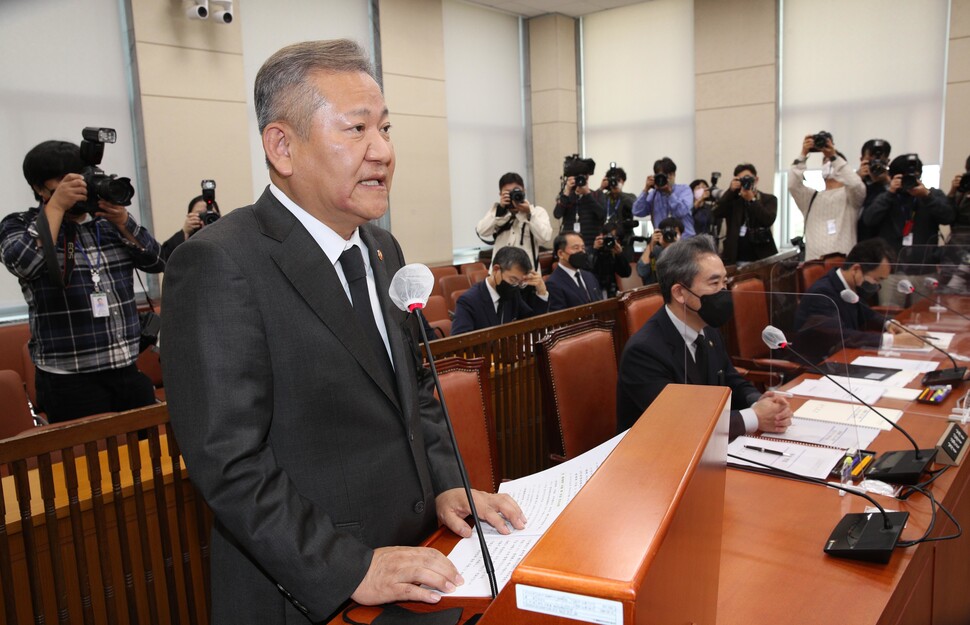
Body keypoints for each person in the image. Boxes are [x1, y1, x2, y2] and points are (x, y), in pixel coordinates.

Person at [160, 40, 525, 624]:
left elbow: (418, 394)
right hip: (311, 591)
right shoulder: (220, 264)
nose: (382, 151)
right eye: (356, 130)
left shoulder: (381, 248)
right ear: (282, 145)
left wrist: (446, 486)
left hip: (419, 562)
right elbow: (229, 463)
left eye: (385, 128)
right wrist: (348, 567)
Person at [0, 140, 163, 423]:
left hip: (125, 366)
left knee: (147, 454)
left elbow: (157, 261)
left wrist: (125, 221)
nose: (78, 186)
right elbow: (23, 263)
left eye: (80, 176)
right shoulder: (18, 224)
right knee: (87, 463)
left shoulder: (107, 223)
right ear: (40, 188)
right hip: (69, 378)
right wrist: (56, 207)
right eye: (66, 180)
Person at [616, 235, 792, 440]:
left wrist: (759, 401)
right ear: (680, 293)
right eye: (714, 283)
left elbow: (729, 377)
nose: (723, 292)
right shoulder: (644, 351)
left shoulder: (706, 328)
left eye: (724, 282)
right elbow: (682, 421)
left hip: (704, 449)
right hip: (655, 454)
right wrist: (755, 417)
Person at [792, 239, 924, 362]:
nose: (877, 286)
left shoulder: (850, 285)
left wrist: (890, 324)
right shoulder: (822, 293)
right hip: (818, 365)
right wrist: (893, 341)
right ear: (856, 269)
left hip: (844, 357)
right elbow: (841, 336)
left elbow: (867, 314)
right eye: (877, 279)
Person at [862, 153, 954, 304]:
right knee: (890, 316)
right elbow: (869, 220)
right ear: (893, 177)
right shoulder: (887, 197)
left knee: (923, 318)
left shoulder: (931, 195)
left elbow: (948, 218)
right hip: (891, 273)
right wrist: (889, 193)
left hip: (924, 272)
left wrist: (927, 196)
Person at [788, 132, 865, 260]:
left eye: (832, 161)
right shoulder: (810, 197)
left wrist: (833, 156)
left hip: (843, 268)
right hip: (813, 267)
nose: (828, 163)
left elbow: (857, 185)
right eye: (825, 160)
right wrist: (803, 154)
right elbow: (792, 184)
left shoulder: (850, 196)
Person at [451, 246, 548, 334]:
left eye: (520, 283)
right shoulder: (468, 301)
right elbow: (459, 343)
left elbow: (532, 324)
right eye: (513, 280)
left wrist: (542, 292)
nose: (515, 286)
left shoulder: (513, 294)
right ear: (496, 270)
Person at [475, 172, 552, 269]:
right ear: (500, 194)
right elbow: (482, 231)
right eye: (508, 193)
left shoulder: (537, 212)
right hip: (500, 274)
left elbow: (545, 237)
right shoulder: (496, 213)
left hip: (527, 275)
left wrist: (529, 214)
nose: (513, 195)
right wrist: (499, 211)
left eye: (516, 191)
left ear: (524, 191)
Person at [713, 163, 778, 265]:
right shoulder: (733, 200)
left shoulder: (768, 199)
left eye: (748, 178)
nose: (745, 182)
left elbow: (768, 220)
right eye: (741, 179)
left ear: (756, 179)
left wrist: (752, 200)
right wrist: (730, 191)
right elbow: (715, 213)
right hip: (734, 258)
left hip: (761, 257)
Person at [632, 157, 695, 237]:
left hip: (684, 240)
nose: (666, 178)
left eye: (669, 175)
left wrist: (669, 193)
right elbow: (637, 212)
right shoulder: (654, 194)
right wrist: (645, 190)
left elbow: (681, 212)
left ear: (674, 174)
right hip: (662, 241)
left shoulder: (684, 190)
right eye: (661, 176)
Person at [546, 232, 603, 310]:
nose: (581, 252)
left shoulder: (589, 276)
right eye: (576, 248)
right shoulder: (553, 283)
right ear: (561, 254)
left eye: (583, 248)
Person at [554, 171, 605, 250]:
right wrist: (567, 191)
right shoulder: (567, 196)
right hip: (570, 245)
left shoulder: (596, 195)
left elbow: (602, 215)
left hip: (591, 244)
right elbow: (557, 214)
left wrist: (587, 194)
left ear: (587, 178)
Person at [161, 194, 220, 261]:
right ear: (189, 216)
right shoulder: (185, 238)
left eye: (210, 214)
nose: (206, 218)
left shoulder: (226, 235)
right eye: (200, 214)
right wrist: (185, 232)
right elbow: (164, 259)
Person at [856, 139, 892, 242]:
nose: (875, 166)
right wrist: (856, 180)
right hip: (859, 242)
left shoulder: (894, 185)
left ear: (887, 162)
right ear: (862, 160)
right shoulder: (854, 184)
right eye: (871, 162)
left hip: (886, 242)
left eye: (881, 162)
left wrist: (887, 183)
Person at [596, 165, 638, 254]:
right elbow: (592, 206)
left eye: (618, 180)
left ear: (623, 182)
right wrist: (601, 188)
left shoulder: (629, 197)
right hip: (605, 241)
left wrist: (619, 193)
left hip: (625, 241)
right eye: (612, 181)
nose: (615, 183)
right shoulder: (603, 197)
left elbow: (635, 207)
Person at [589, 224, 633, 299]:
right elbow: (588, 270)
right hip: (593, 292)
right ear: (601, 236)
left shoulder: (614, 254)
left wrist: (619, 255)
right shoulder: (591, 251)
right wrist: (594, 251)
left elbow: (626, 273)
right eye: (607, 237)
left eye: (613, 238)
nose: (609, 241)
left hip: (610, 293)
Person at [636, 217, 683, 285]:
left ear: (681, 235)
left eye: (674, 233)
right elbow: (642, 272)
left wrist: (670, 247)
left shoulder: (685, 251)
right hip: (655, 291)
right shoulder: (655, 250)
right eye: (667, 233)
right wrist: (651, 244)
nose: (670, 236)